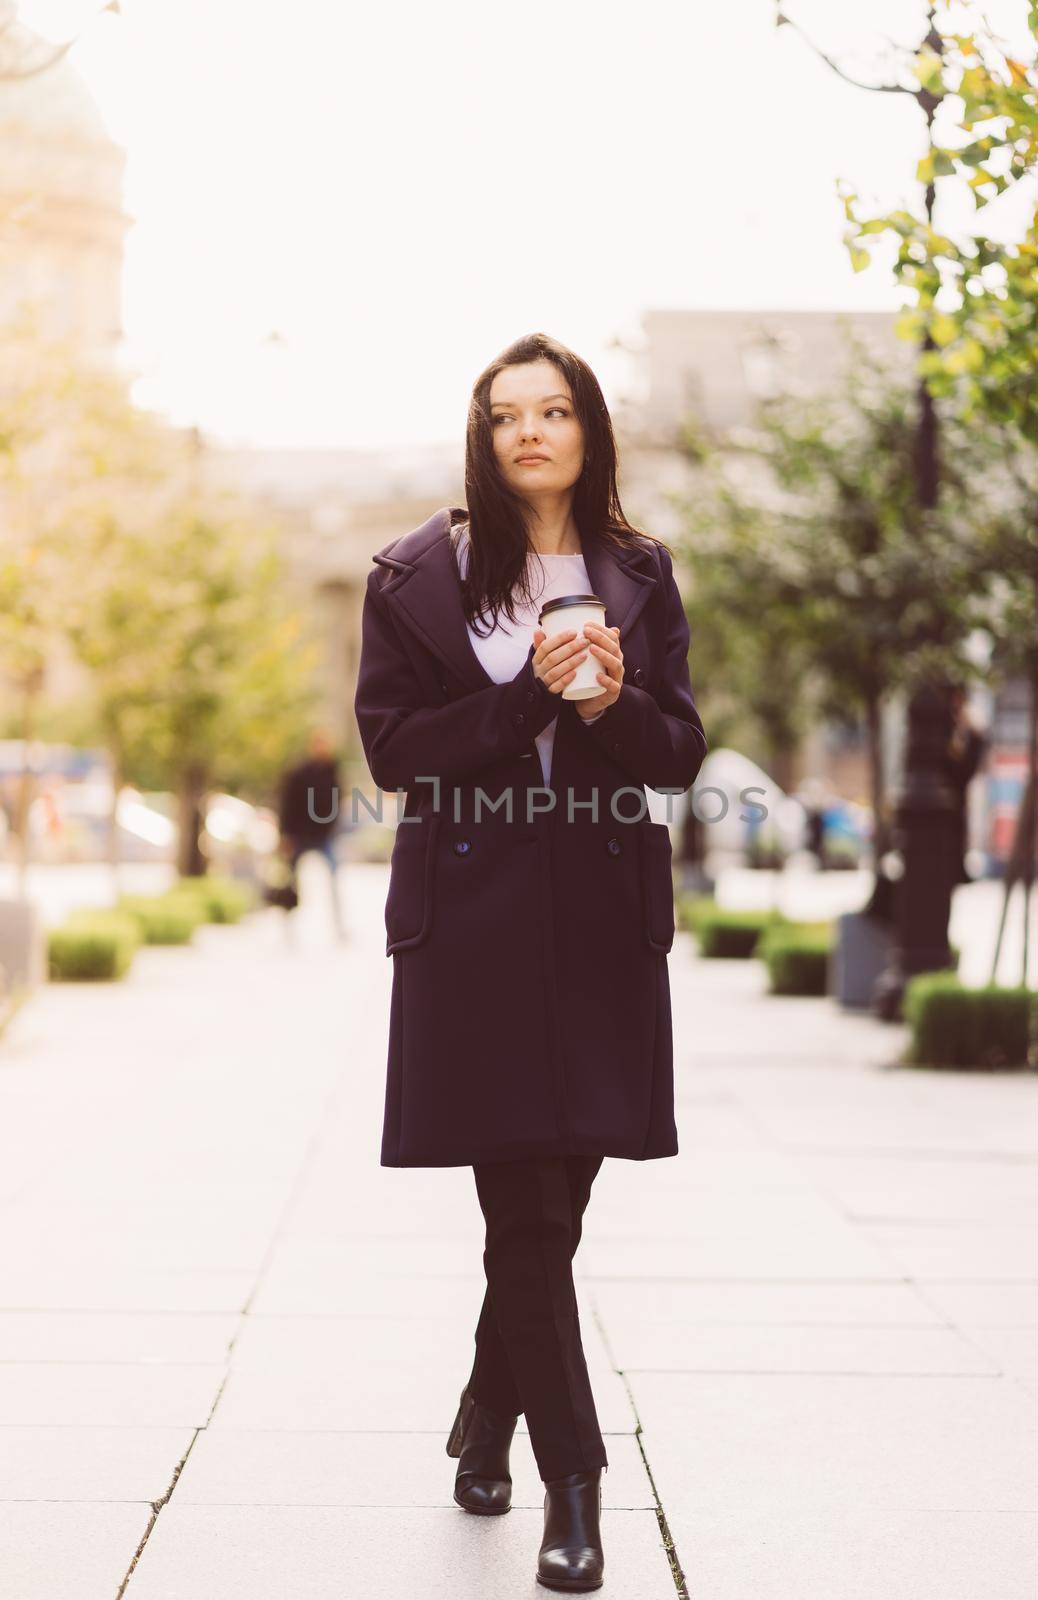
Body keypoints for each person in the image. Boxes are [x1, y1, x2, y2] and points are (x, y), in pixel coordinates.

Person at [354, 333, 707, 1593]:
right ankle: (576, 1486)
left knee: (558, 1204)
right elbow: (393, 752)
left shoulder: (638, 571)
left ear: (586, 428)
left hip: (604, 914)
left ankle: (483, 1410)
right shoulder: (415, 573)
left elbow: (676, 751)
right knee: (531, 1209)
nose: (530, 432)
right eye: (505, 414)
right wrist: (529, 700)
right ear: (481, 436)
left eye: (553, 410)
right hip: (476, 924)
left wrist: (609, 705)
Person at [276, 728, 348, 940]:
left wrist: (333, 829)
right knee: (291, 882)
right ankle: (288, 928)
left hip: (324, 836)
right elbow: (287, 805)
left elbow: (337, 803)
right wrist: (285, 835)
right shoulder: (299, 773)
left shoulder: (332, 771)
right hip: (299, 836)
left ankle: (339, 928)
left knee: (335, 880)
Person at [944, 685, 987, 886]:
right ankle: (952, 868)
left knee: (958, 828)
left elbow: (970, 761)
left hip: (957, 790)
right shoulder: (947, 724)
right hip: (946, 791)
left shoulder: (967, 727)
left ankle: (957, 868)